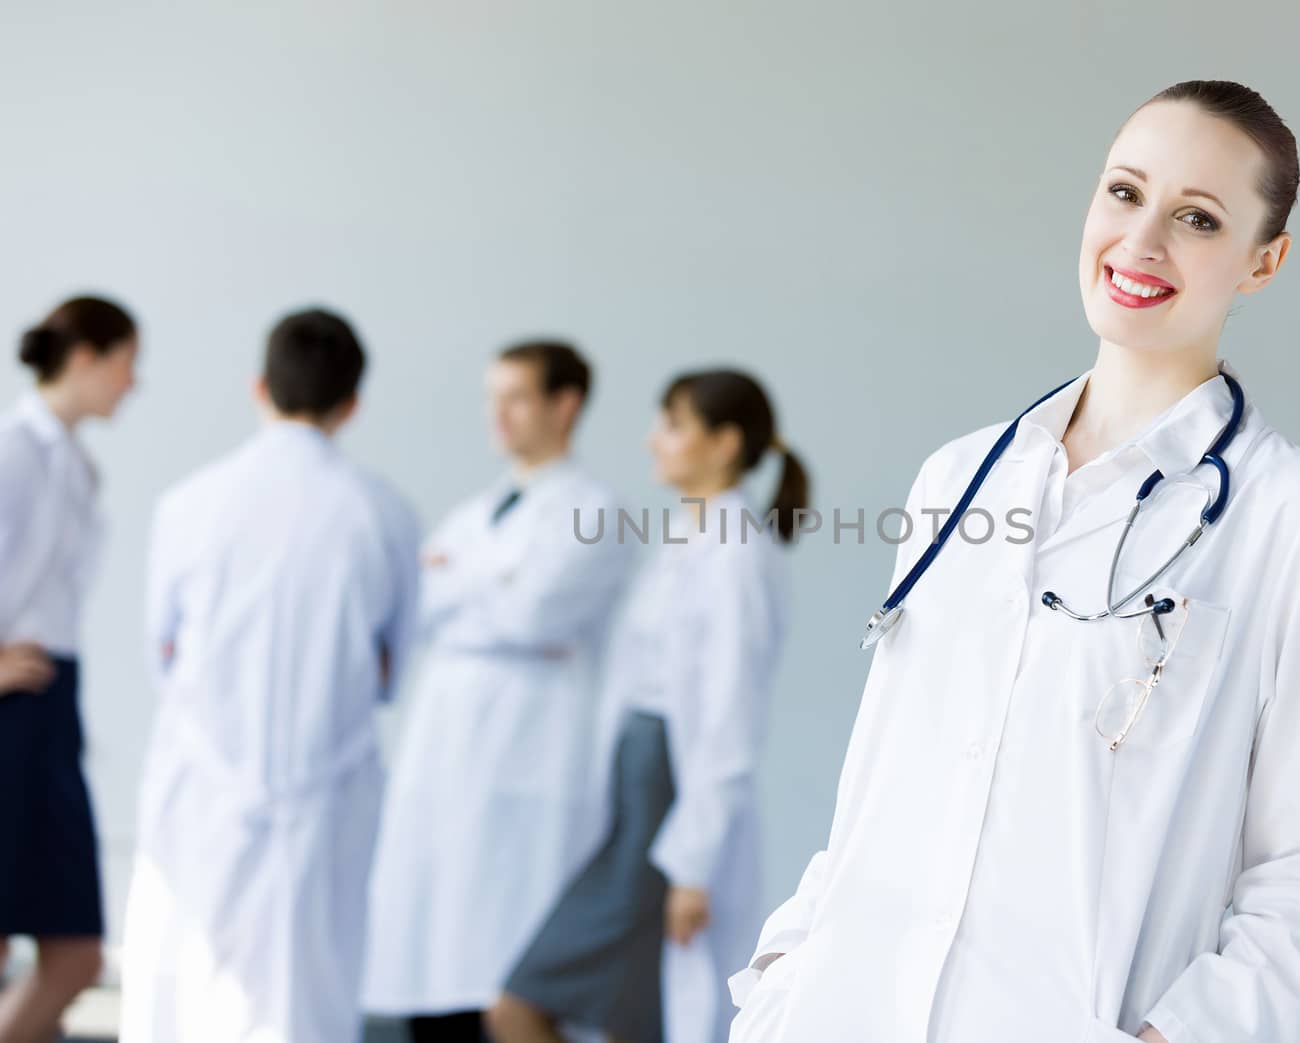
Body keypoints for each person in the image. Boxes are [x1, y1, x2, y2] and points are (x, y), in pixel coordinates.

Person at [727, 80, 1300, 1043]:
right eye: (1125, 193)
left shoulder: (1295, 518)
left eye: (1198, 218)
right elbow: (886, 778)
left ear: (1264, 260)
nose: (1143, 242)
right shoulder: (958, 477)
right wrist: (786, 972)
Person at [118, 307, 421, 1043]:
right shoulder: (383, 511)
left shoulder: (188, 503)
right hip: (328, 793)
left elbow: (162, 647)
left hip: (201, 787)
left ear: (259, 386)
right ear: (352, 404)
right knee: (306, 998)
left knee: (181, 996)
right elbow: (391, 662)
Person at [486, 370, 807, 1043]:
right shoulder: (690, 535)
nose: (651, 440)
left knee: (520, 1004)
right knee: (635, 1018)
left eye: (672, 424)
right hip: (638, 801)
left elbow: (728, 716)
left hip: (666, 817)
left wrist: (694, 864)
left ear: (724, 443)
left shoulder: (737, 552)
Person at [364, 341, 633, 1042]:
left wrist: (459, 586)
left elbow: (534, 614)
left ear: (564, 403)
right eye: (493, 397)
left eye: (515, 397)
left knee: (507, 985)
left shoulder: (595, 509)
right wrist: (485, 589)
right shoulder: (473, 510)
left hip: (527, 770)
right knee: (435, 970)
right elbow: (417, 606)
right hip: (446, 763)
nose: (498, 414)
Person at [0, 296, 138, 1043]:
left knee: (77, 950)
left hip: (53, 703)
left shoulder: (76, 463)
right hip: (11, 707)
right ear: (84, 356)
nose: (133, 382)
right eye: (126, 363)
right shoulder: (15, 451)